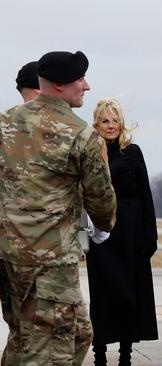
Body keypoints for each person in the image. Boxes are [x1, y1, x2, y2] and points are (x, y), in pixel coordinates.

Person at [0, 50, 117, 365]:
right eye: (80, 80)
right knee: (52, 348)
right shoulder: (82, 135)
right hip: (51, 261)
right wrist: (104, 225)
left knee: (46, 335)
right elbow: (100, 194)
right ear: (59, 85)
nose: (86, 86)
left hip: (9, 253)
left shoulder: (3, 122)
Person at [87, 98, 159, 366]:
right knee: (103, 295)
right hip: (102, 234)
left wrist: (150, 235)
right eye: (105, 120)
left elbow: (145, 195)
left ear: (122, 124)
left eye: (115, 120)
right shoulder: (90, 152)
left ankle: (126, 354)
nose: (111, 125)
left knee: (130, 295)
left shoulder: (133, 152)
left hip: (131, 233)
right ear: (96, 124)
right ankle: (100, 354)